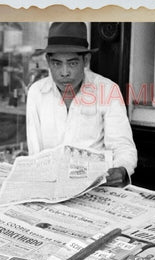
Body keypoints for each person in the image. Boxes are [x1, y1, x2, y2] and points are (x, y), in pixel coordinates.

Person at [26, 22, 137, 187]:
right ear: (48, 61)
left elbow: (122, 146)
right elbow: (35, 154)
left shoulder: (107, 90)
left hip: (96, 186)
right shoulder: (36, 92)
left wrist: (121, 169)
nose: (64, 73)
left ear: (86, 60)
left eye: (72, 63)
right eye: (57, 63)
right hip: (50, 186)